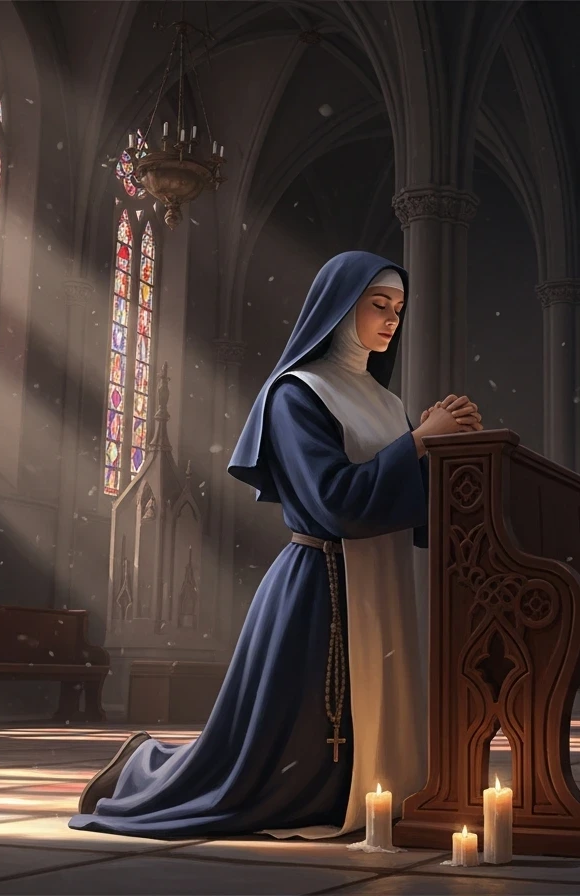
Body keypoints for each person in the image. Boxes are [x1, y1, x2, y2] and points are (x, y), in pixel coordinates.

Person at [70, 251, 481, 839]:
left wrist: (445, 448)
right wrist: (417, 443)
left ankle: (352, 796)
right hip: (321, 586)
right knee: (268, 762)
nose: (392, 319)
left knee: (341, 745)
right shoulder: (297, 394)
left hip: (380, 586)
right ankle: (141, 769)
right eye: (378, 305)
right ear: (341, 308)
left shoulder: (387, 402)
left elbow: (401, 499)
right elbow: (335, 501)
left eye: (399, 308)